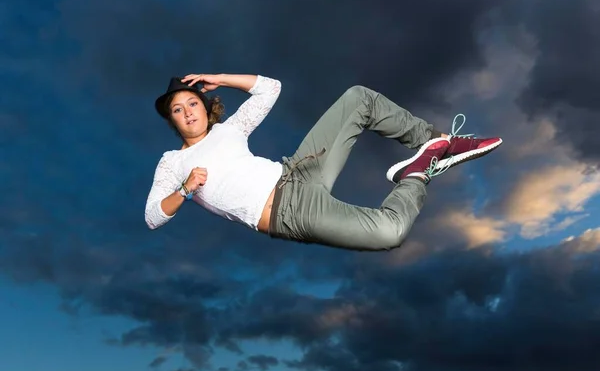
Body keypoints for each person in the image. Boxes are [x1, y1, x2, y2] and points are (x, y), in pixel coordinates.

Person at [145, 73, 502, 251]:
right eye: (178, 109)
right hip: (291, 214)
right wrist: (185, 190)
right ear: (172, 120)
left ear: (205, 106)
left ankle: (434, 142)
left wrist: (221, 78)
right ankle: (417, 173)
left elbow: (270, 88)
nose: (188, 112)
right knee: (389, 232)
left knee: (358, 99)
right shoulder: (172, 162)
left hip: (297, 170)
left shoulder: (230, 129)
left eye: (192, 103)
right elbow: (153, 217)